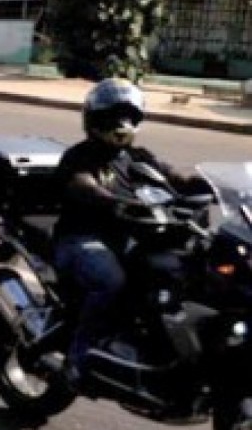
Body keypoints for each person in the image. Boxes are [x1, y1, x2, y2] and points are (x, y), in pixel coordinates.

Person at [52, 79, 203, 381]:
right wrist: (113, 201)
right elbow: (83, 185)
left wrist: (204, 186)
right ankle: (77, 358)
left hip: (133, 239)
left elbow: (176, 179)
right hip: (81, 239)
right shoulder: (79, 156)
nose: (121, 124)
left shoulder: (140, 157)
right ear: (94, 118)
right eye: (113, 116)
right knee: (110, 281)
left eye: (128, 116)